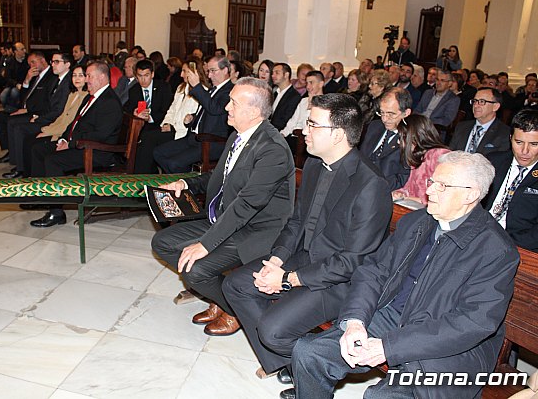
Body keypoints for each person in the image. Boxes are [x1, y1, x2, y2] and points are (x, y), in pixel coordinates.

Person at [292, 150, 519, 399]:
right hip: (393, 317)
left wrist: (389, 347)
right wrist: (355, 321)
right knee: (309, 352)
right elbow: (373, 271)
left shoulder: (496, 250)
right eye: (432, 181)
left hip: (446, 345)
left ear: (470, 195)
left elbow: (472, 323)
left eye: (442, 186)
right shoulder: (417, 222)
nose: (429, 190)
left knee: (381, 397)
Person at [223, 93, 392, 394]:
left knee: (272, 329)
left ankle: (307, 371)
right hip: (306, 257)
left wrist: (288, 280)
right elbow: (297, 222)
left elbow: (353, 262)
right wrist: (276, 261)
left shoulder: (370, 185)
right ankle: (289, 365)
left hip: (341, 281)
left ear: (338, 134)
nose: (304, 130)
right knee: (236, 285)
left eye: (313, 124)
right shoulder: (315, 164)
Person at [152, 77, 295, 336]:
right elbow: (220, 177)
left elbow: (247, 204)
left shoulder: (272, 149)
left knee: (196, 268)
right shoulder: (240, 135)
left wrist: (205, 244)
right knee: (162, 242)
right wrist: (186, 183)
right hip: (228, 221)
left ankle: (234, 308)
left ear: (253, 111)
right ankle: (220, 299)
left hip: (255, 232)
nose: (227, 107)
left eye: (233, 102)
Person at [29, 61, 123, 227]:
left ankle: (56, 213)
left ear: (102, 77)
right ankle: (43, 196)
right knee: (38, 149)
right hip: (79, 144)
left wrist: (71, 143)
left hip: (96, 152)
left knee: (53, 160)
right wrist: (64, 139)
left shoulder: (110, 102)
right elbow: (74, 123)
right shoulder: (90, 96)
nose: (87, 80)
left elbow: (101, 135)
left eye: (89, 76)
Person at [153, 56, 234, 173]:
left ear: (225, 70)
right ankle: (182, 179)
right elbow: (207, 111)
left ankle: (186, 184)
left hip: (211, 142)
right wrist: (192, 118)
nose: (209, 75)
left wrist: (197, 86)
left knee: (174, 163)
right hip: (195, 137)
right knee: (158, 152)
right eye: (208, 71)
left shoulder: (230, 91)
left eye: (213, 71)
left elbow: (215, 109)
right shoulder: (214, 89)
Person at [3, 52, 73, 178]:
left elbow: (59, 111)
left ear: (67, 64)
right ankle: (21, 167)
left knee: (21, 129)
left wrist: (39, 118)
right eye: (52, 61)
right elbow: (46, 104)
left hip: (55, 121)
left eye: (57, 62)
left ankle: (22, 170)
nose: (53, 65)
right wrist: (37, 116)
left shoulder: (67, 83)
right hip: (46, 116)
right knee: (15, 123)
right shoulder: (57, 80)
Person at [133, 59, 204, 173]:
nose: (181, 75)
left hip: (182, 132)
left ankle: (144, 174)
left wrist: (173, 127)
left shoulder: (201, 92)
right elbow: (171, 110)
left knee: (150, 139)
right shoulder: (181, 88)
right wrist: (167, 123)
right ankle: (144, 174)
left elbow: (191, 117)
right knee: (147, 137)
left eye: (184, 72)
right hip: (172, 128)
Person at [483, 109, 538, 252]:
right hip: (478, 234)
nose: (524, 151)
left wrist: (500, 242)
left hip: (516, 247)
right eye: (519, 142)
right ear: (510, 138)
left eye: (534, 144)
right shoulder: (493, 161)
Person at [0, 51, 58, 165]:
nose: (31, 66)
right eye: (29, 63)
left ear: (42, 60)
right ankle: (10, 150)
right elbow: (22, 97)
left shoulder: (51, 77)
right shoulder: (33, 75)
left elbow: (45, 102)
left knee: (13, 122)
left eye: (33, 62)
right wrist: (27, 80)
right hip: (25, 108)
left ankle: (16, 159)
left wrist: (28, 110)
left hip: (36, 111)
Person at [359, 87, 411, 191]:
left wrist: (372, 185)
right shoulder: (374, 126)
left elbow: (402, 178)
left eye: (391, 114)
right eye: (382, 113)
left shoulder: (410, 138)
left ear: (406, 113)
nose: (384, 119)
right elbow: (359, 158)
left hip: (380, 190)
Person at [392, 114, 450, 205]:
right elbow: (409, 187)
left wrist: (407, 198)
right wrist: (400, 193)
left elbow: (441, 198)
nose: (398, 142)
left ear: (415, 137)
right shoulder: (417, 156)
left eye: (402, 137)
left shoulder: (440, 156)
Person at [449, 87, 510, 155]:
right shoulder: (461, 127)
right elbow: (451, 154)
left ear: (495, 106)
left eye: (482, 101)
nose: (476, 105)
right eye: (474, 101)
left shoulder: (505, 133)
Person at [270, 63, 302, 132]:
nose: (273, 75)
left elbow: (286, 120)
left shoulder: (294, 96)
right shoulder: (275, 93)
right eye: (272, 73)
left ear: (286, 75)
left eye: (277, 73)